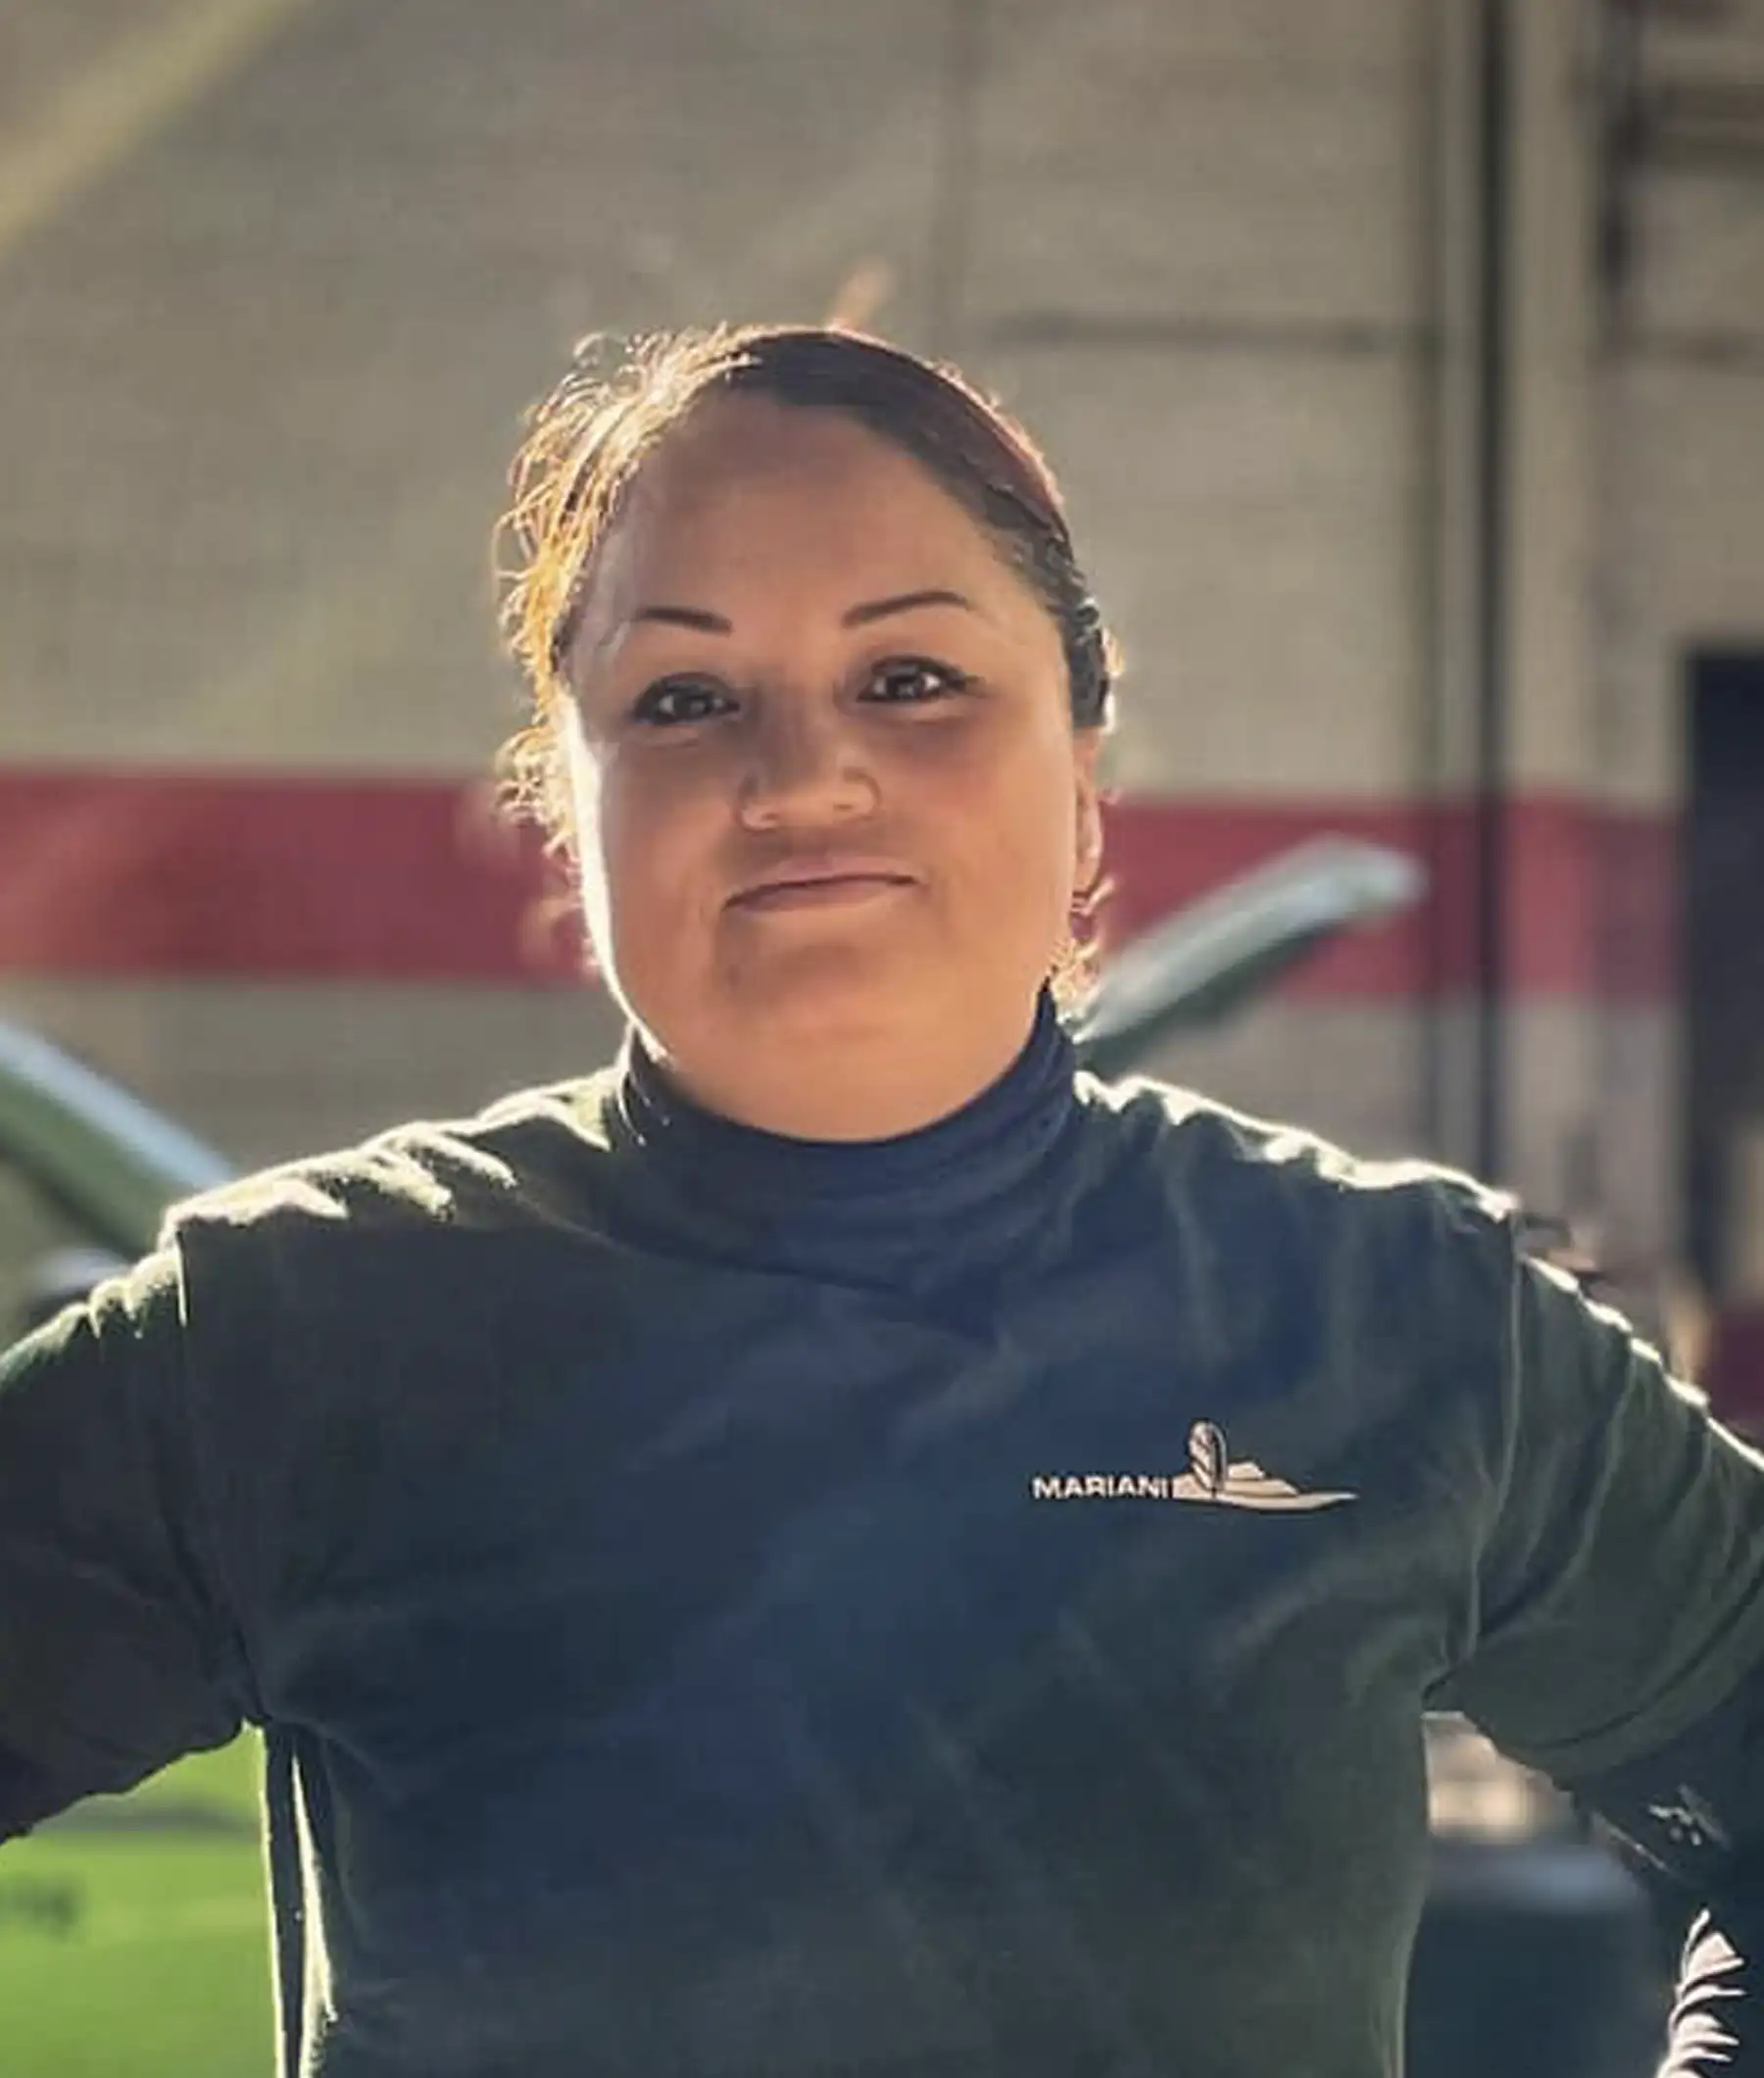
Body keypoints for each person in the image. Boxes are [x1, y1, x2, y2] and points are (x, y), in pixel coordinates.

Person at [2, 322, 1762, 2078]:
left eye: (910, 678)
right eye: (684, 699)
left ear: (1084, 789)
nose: (801, 778)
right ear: (574, 814)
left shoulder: (1401, 1322)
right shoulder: (302, 1335)